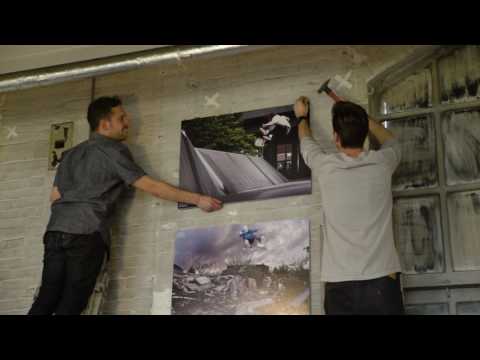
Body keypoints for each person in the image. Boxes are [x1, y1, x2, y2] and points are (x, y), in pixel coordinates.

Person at [28, 96, 223, 315]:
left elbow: (54, 196)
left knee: (46, 299)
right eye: (122, 118)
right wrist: (197, 199)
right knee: (72, 304)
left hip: (55, 231)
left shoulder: (71, 155)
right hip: (85, 233)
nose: (127, 123)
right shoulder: (112, 150)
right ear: (105, 124)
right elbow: (150, 185)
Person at [294, 96, 404, 315]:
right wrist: (360, 115)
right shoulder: (384, 162)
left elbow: (306, 140)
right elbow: (391, 139)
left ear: (336, 137)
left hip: (340, 285)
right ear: (365, 135)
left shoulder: (324, 166)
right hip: (382, 280)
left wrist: (302, 117)